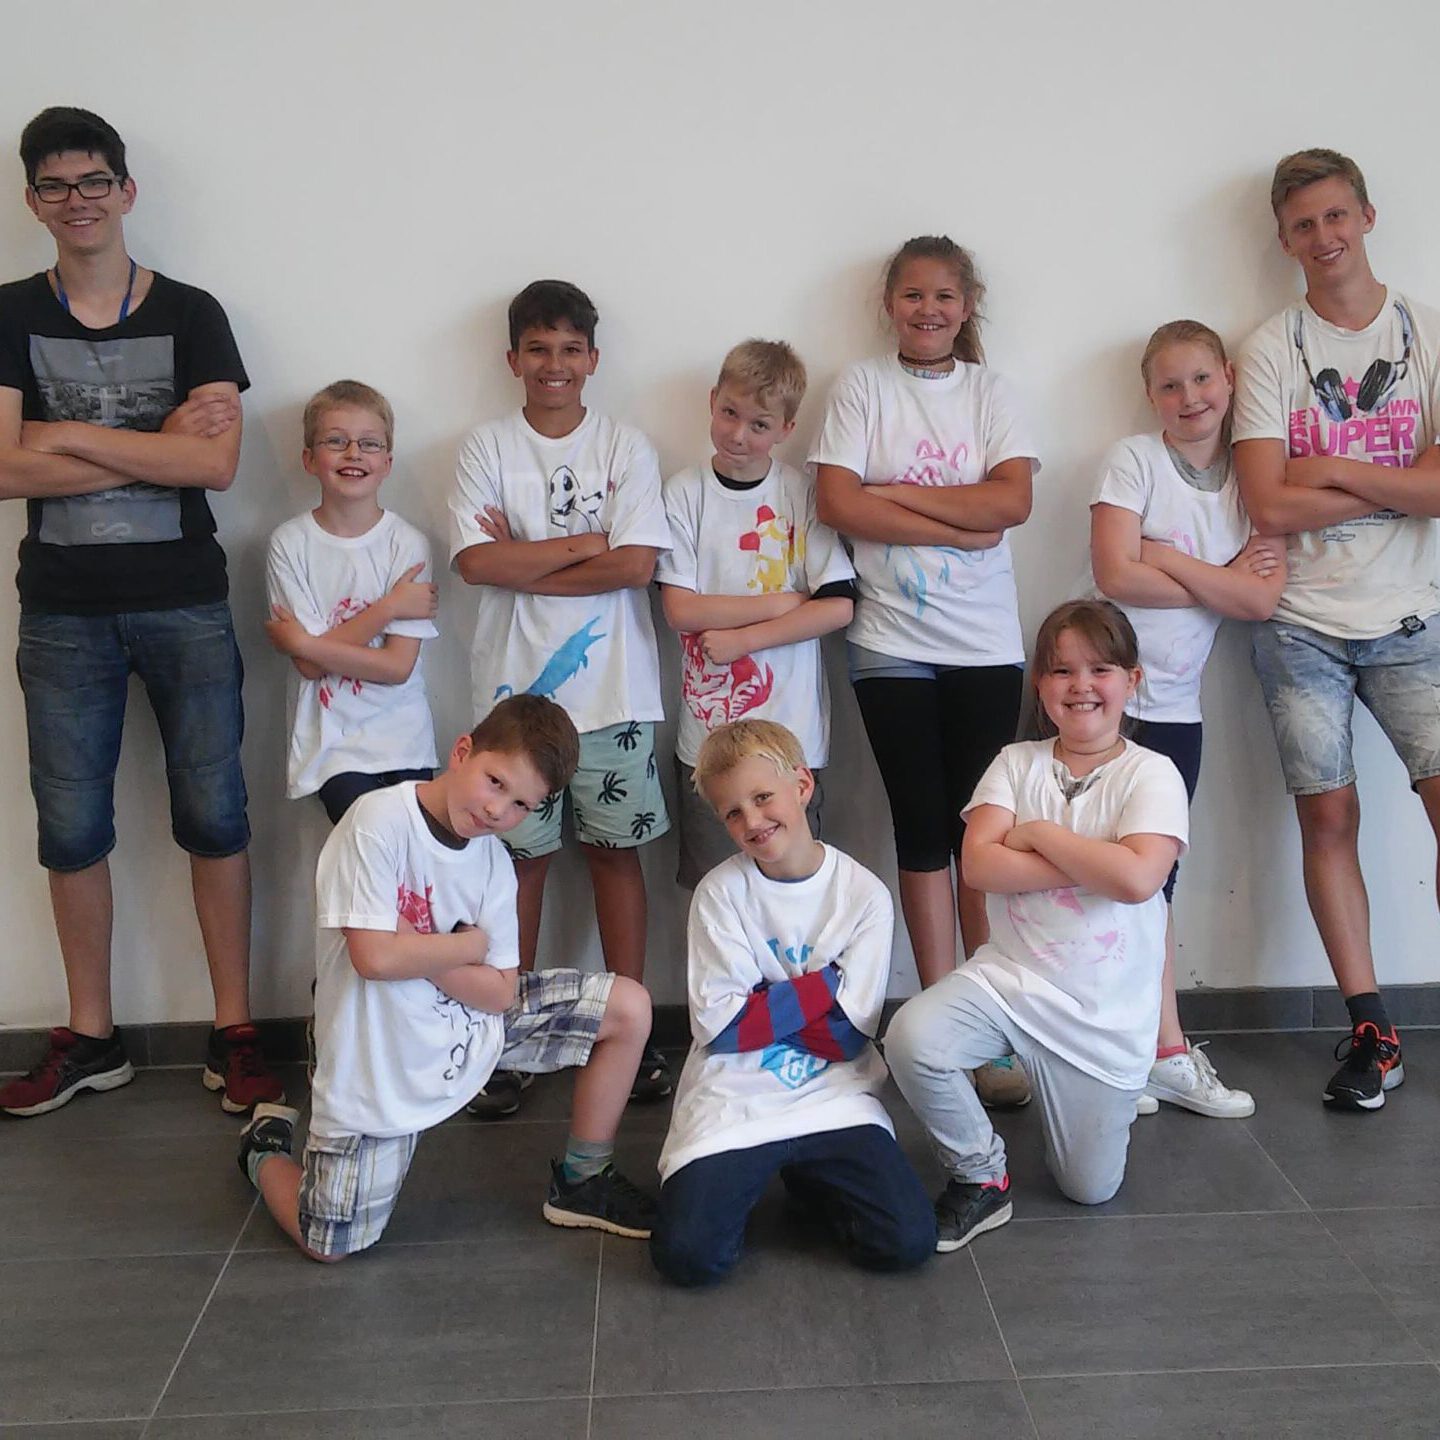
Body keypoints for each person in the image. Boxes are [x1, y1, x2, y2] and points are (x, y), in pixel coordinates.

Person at [0, 106, 282, 1117]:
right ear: (33, 202)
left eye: (93, 180)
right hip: (62, 613)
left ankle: (234, 1029)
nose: (76, 200)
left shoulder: (194, 312)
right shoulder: (11, 313)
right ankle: (92, 1037)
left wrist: (58, 436)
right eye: (55, 185)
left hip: (184, 602)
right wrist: (151, 439)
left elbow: (215, 464)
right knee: (71, 826)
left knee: (215, 815)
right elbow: (1, 470)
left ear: (126, 190)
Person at [236, 694, 658, 1260]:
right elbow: (373, 960)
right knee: (328, 1244)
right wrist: (467, 946)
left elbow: (501, 992)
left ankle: (584, 1181)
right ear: (463, 752)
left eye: (521, 804)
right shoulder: (377, 822)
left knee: (628, 1007)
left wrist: (416, 947)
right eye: (494, 782)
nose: (498, 811)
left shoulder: (493, 860)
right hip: (376, 1051)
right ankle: (263, 1149)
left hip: (470, 1027)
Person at [810, 233, 1039, 1107]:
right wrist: (962, 522)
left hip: (983, 645)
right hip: (890, 643)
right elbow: (838, 502)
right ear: (889, 305)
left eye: (944, 296)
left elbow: (1012, 502)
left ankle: (985, 1024)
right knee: (919, 829)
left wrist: (894, 495)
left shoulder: (990, 391)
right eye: (913, 295)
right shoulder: (862, 387)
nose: (928, 310)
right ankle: (940, 1021)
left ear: (966, 305)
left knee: (980, 833)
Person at [1233, 148, 1440, 1110]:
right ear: (1285, 240)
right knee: (1328, 818)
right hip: (1301, 625)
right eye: (1304, 225)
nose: (1324, 237)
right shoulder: (1269, 348)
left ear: (1366, 216)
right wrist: (1401, 485)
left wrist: (1331, 468)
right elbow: (1268, 503)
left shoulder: (1426, 332)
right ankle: (1372, 1030)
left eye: (1336, 216)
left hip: (1414, 614)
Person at [885, 600, 1189, 1251]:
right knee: (911, 1036)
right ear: (1041, 686)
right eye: (1062, 671)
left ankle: (1088, 1106)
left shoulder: (1152, 773)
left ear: (1131, 680)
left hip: (1101, 1019)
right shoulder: (1014, 762)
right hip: (1009, 983)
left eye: (1100, 669)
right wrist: (1098, 861)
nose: (1081, 686)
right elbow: (979, 866)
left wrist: (1041, 833)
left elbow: (1140, 880)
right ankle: (981, 1174)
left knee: (1088, 1189)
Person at [449, 279, 673, 1116]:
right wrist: (587, 543)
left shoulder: (626, 446)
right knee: (519, 864)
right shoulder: (484, 448)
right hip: (512, 707)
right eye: (538, 349)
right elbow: (477, 563)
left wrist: (529, 558)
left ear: (593, 359)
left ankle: (630, 1030)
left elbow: (636, 565)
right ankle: (502, 1032)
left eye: (570, 349)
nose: (555, 364)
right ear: (513, 359)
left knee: (617, 858)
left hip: (614, 696)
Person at [649, 719, 934, 1285]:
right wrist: (826, 983)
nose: (752, 822)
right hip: (734, 1095)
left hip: (835, 1094)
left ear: (802, 785)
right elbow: (722, 1031)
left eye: (762, 798)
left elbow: (846, 1038)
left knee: (906, 1242)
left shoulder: (863, 895)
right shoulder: (719, 894)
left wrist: (760, 1000)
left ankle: (809, 1179)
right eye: (733, 813)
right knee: (687, 1258)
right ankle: (766, 1176)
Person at [1090, 320, 1286, 1117]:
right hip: (1105, 707)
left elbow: (1260, 600)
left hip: (1176, 713)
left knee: (1154, 886)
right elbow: (1114, 574)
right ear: (1150, 396)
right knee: (1099, 883)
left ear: (1229, 378)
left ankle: (1155, 1053)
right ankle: (1122, 1051)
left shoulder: (1254, 480)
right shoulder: (1133, 460)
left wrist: (1165, 555)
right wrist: (1216, 576)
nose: (1189, 397)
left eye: (1201, 379)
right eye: (1170, 385)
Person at [656, 339, 855, 887]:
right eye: (729, 414)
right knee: (713, 887)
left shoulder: (801, 494)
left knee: (795, 884)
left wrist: (745, 640)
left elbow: (837, 607)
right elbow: (681, 610)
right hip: (708, 739)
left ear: (786, 428)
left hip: (791, 735)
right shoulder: (685, 493)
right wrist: (781, 603)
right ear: (712, 400)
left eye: (759, 424)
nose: (739, 435)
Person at [264, 379, 439, 824]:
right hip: (334, 750)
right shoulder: (290, 544)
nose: (353, 454)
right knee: (366, 852)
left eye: (369, 443)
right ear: (309, 459)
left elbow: (396, 667)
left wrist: (305, 644)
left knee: (410, 858)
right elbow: (310, 668)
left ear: (387, 462)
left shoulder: (407, 544)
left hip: (406, 742)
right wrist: (389, 608)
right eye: (336, 441)